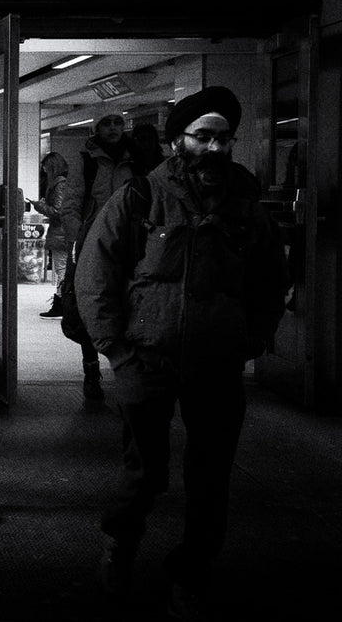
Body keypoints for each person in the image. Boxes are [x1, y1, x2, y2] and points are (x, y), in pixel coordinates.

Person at [76, 86, 289, 615]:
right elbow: (95, 275)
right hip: (146, 358)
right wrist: (116, 354)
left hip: (217, 363)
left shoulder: (246, 203)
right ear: (178, 141)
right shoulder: (141, 197)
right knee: (144, 471)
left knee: (211, 474)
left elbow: (270, 281)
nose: (214, 148)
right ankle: (120, 544)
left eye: (223, 138)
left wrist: (254, 340)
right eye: (202, 136)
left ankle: (192, 569)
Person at [60, 113, 143, 400]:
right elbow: (71, 206)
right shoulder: (87, 161)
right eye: (107, 124)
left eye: (118, 123)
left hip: (128, 245)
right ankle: (91, 369)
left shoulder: (136, 159)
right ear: (97, 128)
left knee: (129, 304)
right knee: (88, 305)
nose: (113, 129)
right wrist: (78, 242)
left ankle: (127, 372)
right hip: (92, 244)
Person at [32, 151, 69, 319]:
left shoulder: (59, 184)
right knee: (63, 269)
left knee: (61, 270)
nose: (44, 171)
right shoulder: (64, 183)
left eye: (46, 168)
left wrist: (39, 206)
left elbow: (57, 210)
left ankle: (61, 304)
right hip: (63, 233)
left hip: (60, 234)